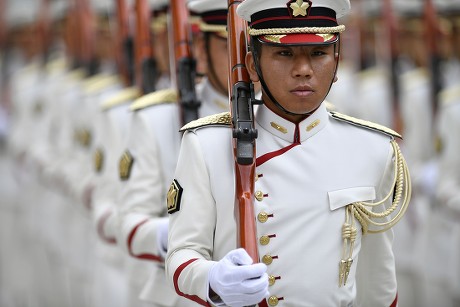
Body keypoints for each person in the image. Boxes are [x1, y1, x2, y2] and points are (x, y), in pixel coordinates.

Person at [165, 0, 411, 306]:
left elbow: (379, 283)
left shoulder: (373, 148)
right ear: (253, 65)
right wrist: (213, 279)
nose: (303, 70)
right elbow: (181, 254)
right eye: (284, 53)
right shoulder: (207, 144)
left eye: (318, 53)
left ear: (337, 60)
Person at [115, 0, 232, 305]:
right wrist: (169, 233)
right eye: (230, 45)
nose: (247, 58)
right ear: (202, 54)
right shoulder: (156, 119)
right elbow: (128, 221)